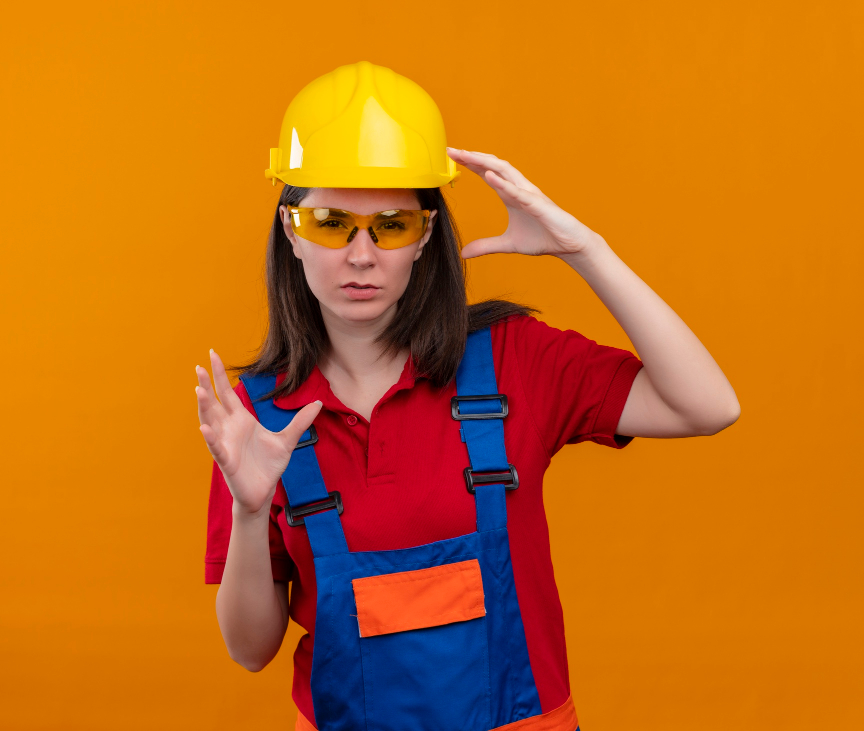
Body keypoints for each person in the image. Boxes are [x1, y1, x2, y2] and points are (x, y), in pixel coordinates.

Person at [197, 61, 739, 731]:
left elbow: (708, 404)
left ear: (426, 234)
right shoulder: (255, 421)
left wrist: (584, 248)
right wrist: (250, 511)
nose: (361, 254)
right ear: (291, 228)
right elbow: (251, 650)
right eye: (332, 222)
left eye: (390, 225)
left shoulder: (513, 359)